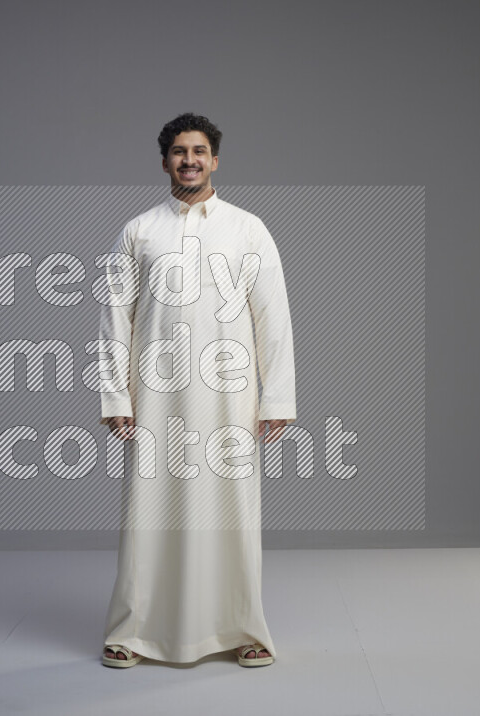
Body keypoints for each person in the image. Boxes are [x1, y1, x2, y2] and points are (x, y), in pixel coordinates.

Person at [97, 113, 296, 668]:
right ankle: (132, 631)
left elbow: (273, 317)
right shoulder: (138, 231)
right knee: (148, 511)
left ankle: (244, 629)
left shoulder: (248, 230)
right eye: (180, 151)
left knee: (232, 512)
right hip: (155, 396)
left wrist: (277, 397)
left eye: (199, 151)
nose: (190, 160)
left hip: (230, 395)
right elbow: (114, 318)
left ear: (215, 160)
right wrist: (115, 396)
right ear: (164, 162)